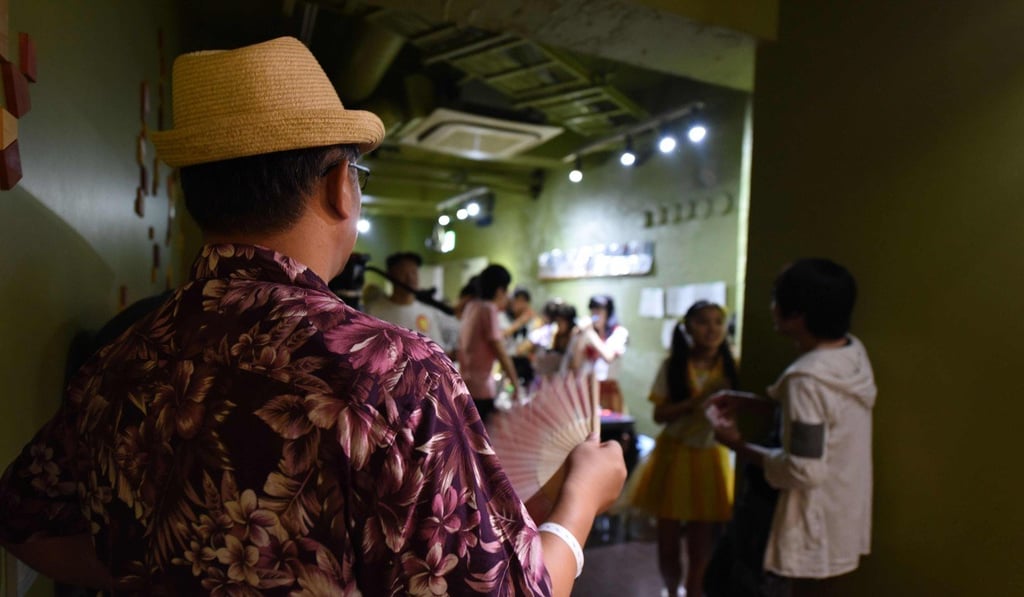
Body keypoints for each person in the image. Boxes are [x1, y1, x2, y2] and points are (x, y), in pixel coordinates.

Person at [0, 37, 626, 596]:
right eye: (358, 174)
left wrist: (173, 568)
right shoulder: (393, 373)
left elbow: (24, 523)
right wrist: (580, 501)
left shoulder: (125, 354)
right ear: (339, 185)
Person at [706, 258, 876, 595]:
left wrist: (736, 444)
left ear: (797, 314)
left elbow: (803, 469)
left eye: (776, 297)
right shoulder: (851, 353)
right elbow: (826, 419)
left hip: (798, 518)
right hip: (840, 514)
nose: (771, 306)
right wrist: (757, 404)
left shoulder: (806, 379)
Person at [628, 301, 738, 597]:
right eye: (703, 322)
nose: (712, 329)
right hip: (674, 455)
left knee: (702, 537)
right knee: (668, 535)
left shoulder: (733, 365)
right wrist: (697, 401)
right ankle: (670, 587)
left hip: (711, 454)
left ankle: (693, 589)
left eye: (718, 321)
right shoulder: (673, 365)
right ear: (688, 328)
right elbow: (660, 415)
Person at [457, 264, 523, 422]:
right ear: (500, 290)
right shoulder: (488, 309)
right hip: (481, 390)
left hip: (463, 384)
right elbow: (500, 351)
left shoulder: (471, 306)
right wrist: (515, 384)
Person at [365, 251, 460, 355]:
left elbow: (437, 351)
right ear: (390, 275)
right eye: (403, 272)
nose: (410, 278)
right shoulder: (374, 312)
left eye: (414, 272)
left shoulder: (427, 312)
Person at [573, 294, 629, 412]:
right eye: (592, 310)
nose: (595, 314)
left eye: (599, 310)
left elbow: (608, 357)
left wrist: (590, 332)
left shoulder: (618, 332)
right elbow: (576, 364)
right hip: (587, 388)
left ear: (608, 312)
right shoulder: (589, 334)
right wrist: (579, 337)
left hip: (607, 390)